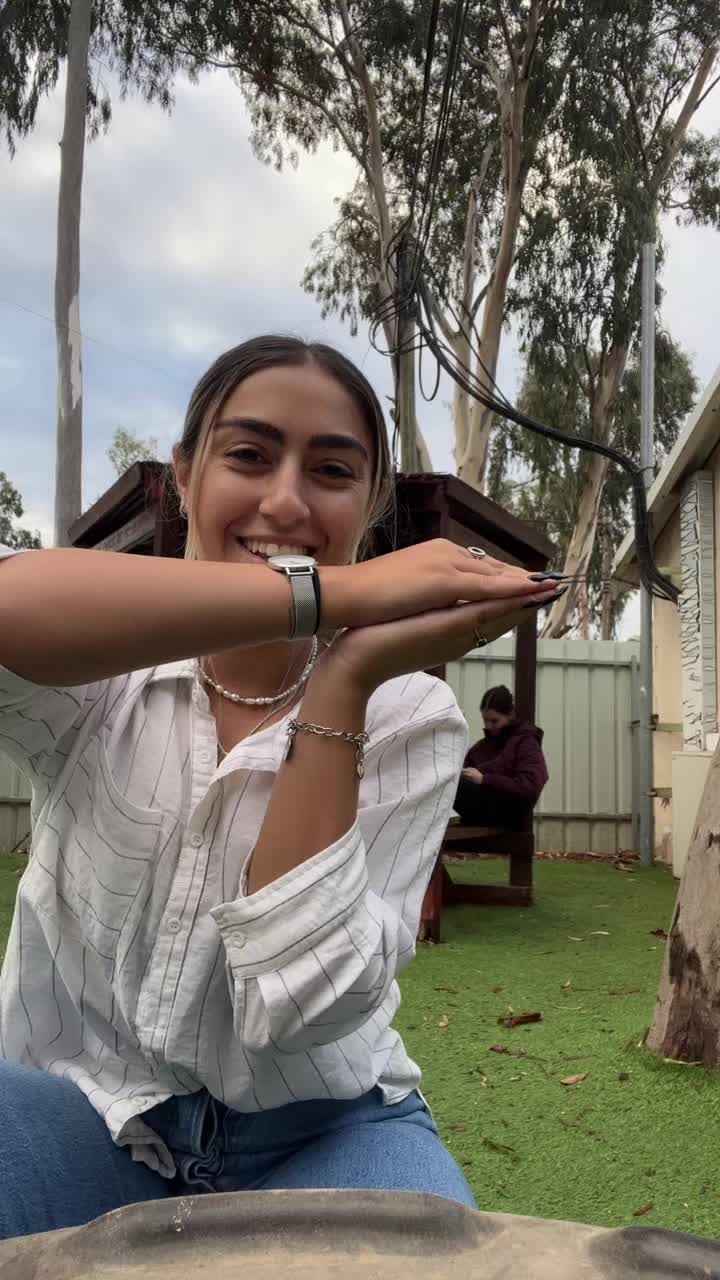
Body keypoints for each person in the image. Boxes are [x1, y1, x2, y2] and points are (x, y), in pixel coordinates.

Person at [0, 336, 564, 1240]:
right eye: (249, 455)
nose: (288, 500)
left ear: (369, 505)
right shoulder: (102, 670)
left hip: (324, 1133)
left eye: (332, 470)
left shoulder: (408, 713)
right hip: (87, 1112)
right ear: (185, 477)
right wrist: (323, 595)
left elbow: (297, 1006)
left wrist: (344, 677)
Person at [453, 685, 548, 830]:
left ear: (510, 714)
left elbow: (530, 787)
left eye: (494, 721)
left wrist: (484, 779)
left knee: (454, 786)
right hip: (484, 808)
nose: (488, 726)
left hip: (510, 813)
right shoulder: (481, 747)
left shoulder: (526, 742)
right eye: (485, 720)